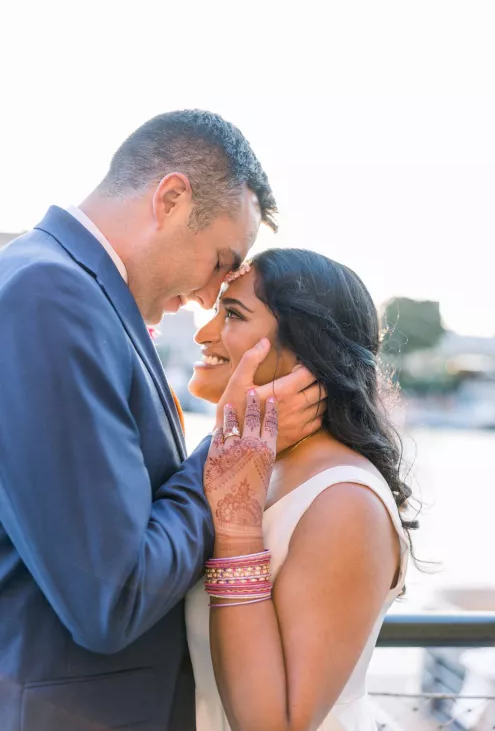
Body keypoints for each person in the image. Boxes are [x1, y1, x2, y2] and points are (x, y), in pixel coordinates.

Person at [0, 111, 325, 731]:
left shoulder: (64, 287)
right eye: (220, 262)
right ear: (171, 199)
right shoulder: (51, 295)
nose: (207, 297)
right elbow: (111, 598)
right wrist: (231, 453)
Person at [186, 248, 416, 731]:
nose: (202, 334)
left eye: (232, 314)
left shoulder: (344, 500)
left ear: (303, 351)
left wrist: (237, 528)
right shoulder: (254, 468)